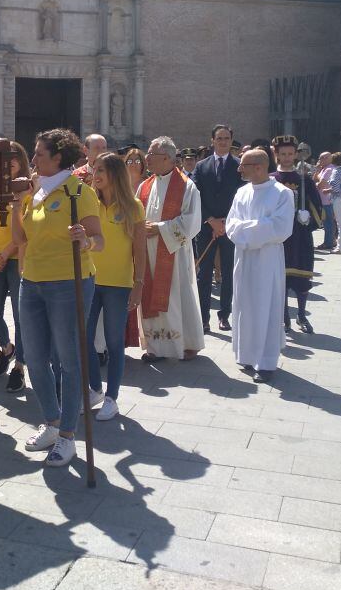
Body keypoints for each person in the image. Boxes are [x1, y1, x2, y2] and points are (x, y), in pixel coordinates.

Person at [12, 128, 103, 468]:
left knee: (68, 360)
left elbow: (99, 240)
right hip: (31, 281)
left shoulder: (79, 193)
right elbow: (21, 238)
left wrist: (85, 239)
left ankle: (67, 434)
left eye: (38, 154)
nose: (32, 160)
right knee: (35, 357)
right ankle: (51, 422)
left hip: (69, 282)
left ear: (58, 158)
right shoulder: (34, 193)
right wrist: (17, 202)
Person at [83, 152, 146, 419]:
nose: (95, 176)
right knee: (84, 338)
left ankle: (112, 397)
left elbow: (139, 250)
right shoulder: (88, 203)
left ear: (115, 175)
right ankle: (96, 388)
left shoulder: (133, 207)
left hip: (118, 284)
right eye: (94, 170)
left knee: (113, 341)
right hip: (89, 279)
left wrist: (138, 284)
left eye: (101, 171)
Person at [226, 149, 294, 384]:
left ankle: (265, 362)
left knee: (266, 305)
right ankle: (246, 354)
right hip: (243, 257)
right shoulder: (241, 192)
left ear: (259, 166)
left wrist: (246, 231)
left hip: (267, 259)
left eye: (243, 165)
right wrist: (249, 230)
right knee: (244, 304)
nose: (239, 169)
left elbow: (281, 227)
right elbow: (231, 224)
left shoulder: (282, 194)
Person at [137, 137, 203, 361]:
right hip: (147, 250)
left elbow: (192, 221)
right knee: (150, 292)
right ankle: (155, 347)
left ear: (166, 157)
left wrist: (160, 229)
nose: (146, 159)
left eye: (151, 155)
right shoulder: (145, 185)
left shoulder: (185, 185)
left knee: (178, 295)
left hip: (173, 252)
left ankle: (185, 344)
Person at [0, 141, 30, 394]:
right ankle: (6, 348)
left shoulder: (28, 189)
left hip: (17, 259)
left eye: (13, 156)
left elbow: (26, 229)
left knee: (20, 316)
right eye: (3, 157)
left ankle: (20, 367)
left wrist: (4, 252)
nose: (8, 161)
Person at [190, 124, 243, 333]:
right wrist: (210, 220)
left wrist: (225, 222)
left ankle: (224, 315)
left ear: (231, 140)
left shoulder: (239, 166)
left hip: (231, 227)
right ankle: (203, 318)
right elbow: (195, 194)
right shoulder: (201, 166)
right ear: (212, 140)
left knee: (229, 273)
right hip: (206, 227)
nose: (223, 142)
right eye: (219, 138)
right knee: (204, 274)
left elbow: (242, 196)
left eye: (227, 138)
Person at [270, 136, 324, 333]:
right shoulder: (271, 179)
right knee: (280, 279)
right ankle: (285, 318)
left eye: (290, 154)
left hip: (300, 234)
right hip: (279, 237)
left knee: (301, 278)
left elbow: (316, 204)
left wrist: (308, 217)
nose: (286, 158)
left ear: (295, 155)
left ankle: (301, 314)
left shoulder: (305, 180)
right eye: (283, 154)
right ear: (276, 155)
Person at [314, 152, 336, 251]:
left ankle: (328, 243)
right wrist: (318, 171)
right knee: (326, 222)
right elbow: (314, 180)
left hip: (327, 200)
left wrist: (318, 176)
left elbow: (321, 185)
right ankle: (330, 241)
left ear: (327, 158)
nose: (319, 161)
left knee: (328, 223)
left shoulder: (329, 169)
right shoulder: (323, 169)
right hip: (322, 200)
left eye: (321, 158)